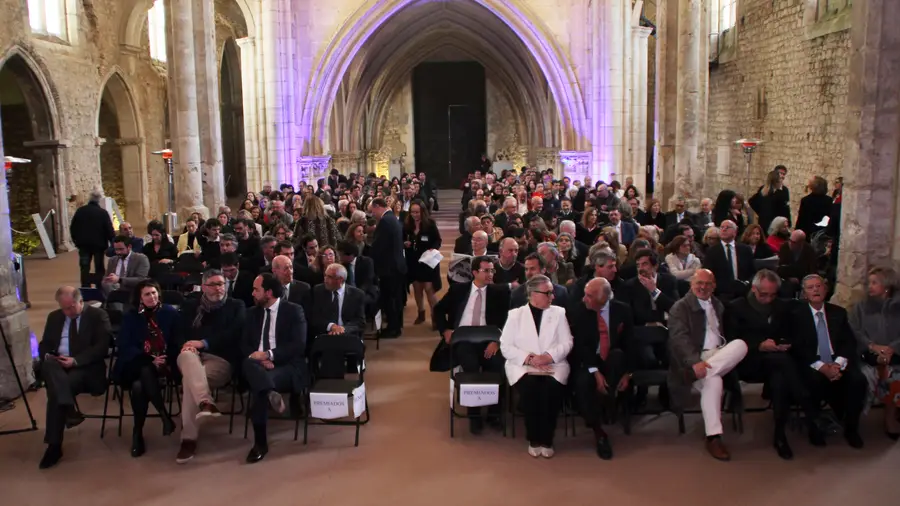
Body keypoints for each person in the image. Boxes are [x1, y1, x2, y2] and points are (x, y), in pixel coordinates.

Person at [725, 270, 823, 460]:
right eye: (764, 294)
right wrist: (759, 346)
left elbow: (792, 331)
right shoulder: (736, 307)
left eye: (773, 294)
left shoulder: (781, 306)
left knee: (780, 381)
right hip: (749, 361)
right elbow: (731, 340)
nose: (769, 299)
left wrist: (786, 343)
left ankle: (780, 436)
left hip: (778, 363)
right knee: (783, 364)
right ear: (754, 289)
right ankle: (810, 411)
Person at [668, 269, 748, 461]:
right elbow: (679, 339)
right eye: (699, 283)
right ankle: (714, 437)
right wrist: (695, 362)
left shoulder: (718, 305)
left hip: (718, 355)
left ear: (714, 286)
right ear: (691, 284)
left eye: (708, 284)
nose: (703, 287)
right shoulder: (680, 307)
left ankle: (704, 372)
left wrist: (706, 365)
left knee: (740, 345)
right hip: (695, 358)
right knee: (714, 381)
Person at [781, 275, 867, 448]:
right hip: (812, 362)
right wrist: (822, 367)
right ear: (804, 293)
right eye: (810, 287)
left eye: (818, 286)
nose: (815, 290)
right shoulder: (796, 315)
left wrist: (837, 364)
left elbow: (848, 342)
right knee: (812, 381)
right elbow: (798, 348)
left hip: (837, 361)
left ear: (826, 290)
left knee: (858, 381)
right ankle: (815, 428)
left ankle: (851, 429)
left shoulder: (838, 313)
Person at [175, 269, 247, 464]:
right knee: (188, 358)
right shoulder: (191, 306)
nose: (219, 288)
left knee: (190, 381)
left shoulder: (236, 306)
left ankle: (188, 438)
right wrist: (189, 345)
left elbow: (233, 334)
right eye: (214, 284)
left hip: (220, 359)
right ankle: (205, 402)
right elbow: (179, 332)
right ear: (204, 286)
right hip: (190, 356)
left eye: (221, 284)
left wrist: (203, 343)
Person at [433, 256, 511, 434]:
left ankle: (494, 413)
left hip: (489, 341)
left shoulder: (500, 293)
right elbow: (438, 309)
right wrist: (445, 330)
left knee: (497, 365)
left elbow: (508, 320)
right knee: (471, 366)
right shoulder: (459, 290)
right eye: (486, 271)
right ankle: (474, 414)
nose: (490, 274)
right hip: (464, 340)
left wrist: (497, 341)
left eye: (492, 270)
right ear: (475, 272)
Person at [37, 287, 111, 469]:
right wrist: (48, 355)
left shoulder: (97, 315)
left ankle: (54, 446)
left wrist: (75, 361)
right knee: (47, 365)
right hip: (57, 364)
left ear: (80, 301)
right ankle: (68, 409)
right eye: (64, 308)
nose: (68, 312)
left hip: (85, 367)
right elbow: (44, 344)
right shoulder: (54, 317)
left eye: (71, 307)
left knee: (59, 391)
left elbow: (102, 347)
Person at [500, 275, 574, 457]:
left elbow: (567, 342)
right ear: (533, 294)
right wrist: (530, 359)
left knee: (550, 390)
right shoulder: (515, 315)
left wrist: (548, 356)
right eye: (547, 293)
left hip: (553, 365)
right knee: (531, 390)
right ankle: (534, 438)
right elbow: (506, 346)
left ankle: (547, 439)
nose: (552, 296)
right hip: (524, 366)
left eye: (552, 292)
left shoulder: (559, 313)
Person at [241, 273, 308, 463]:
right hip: (256, 365)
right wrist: (260, 359)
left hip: (286, 366)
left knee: (258, 389)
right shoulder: (251, 313)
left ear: (268, 293)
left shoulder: (294, 311)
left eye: (256, 290)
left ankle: (260, 443)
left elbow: (298, 345)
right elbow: (244, 344)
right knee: (250, 365)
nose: (253, 293)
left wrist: (270, 355)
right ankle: (270, 392)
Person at [569, 277, 633, 460]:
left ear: (604, 298)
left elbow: (630, 343)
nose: (584, 299)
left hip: (613, 362)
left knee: (618, 355)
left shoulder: (622, 310)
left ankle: (608, 400)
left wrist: (629, 373)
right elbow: (581, 346)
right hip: (588, 361)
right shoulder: (581, 311)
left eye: (589, 296)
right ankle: (599, 431)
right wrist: (595, 372)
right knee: (583, 383)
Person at [114, 279, 178, 458]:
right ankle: (163, 416)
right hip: (135, 362)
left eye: (154, 293)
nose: (152, 297)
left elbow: (177, 340)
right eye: (147, 294)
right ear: (140, 298)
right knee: (143, 370)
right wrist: (150, 358)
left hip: (165, 361)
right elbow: (125, 345)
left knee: (139, 386)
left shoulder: (169, 313)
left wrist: (162, 358)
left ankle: (138, 433)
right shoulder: (131, 316)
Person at [849, 267, 900, 439]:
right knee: (865, 374)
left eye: (874, 283)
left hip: (895, 353)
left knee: (895, 375)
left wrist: (891, 348)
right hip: (867, 354)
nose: (869, 287)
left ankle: (890, 416)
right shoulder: (860, 307)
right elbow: (854, 331)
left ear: (887, 286)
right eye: (868, 283)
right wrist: (873, 346)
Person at [370, 198, 407, 338]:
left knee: (390, 299)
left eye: (373, 211)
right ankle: (396, 325)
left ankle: (393, 328)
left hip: (389, 267)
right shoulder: (392, 219)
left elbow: (379, 246)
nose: (373, 214)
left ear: (378, 206)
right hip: (396, 265)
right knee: (395, 299)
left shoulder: (385, 221)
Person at [403, 200, 442, 325]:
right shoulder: (407, 224)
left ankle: (435, 317)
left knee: (429, 289)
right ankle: (421, 313)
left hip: (428, 261)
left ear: (422, 212)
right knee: (417, 288)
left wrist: (433, 248)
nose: (415, 215)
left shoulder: (430, 224)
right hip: (413, 261)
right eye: (412, 212)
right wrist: (405, 244)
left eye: (417, 212)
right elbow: (402, 239)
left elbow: (438, 240)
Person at [70, 189, 116, 287]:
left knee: (84, 267)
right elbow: (109, 229)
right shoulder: (102, 213)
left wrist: (76, 240)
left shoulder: (80, 211)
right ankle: (100, 286)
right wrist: (113, 241)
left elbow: (73, 227)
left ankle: (85, 286)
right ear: (99, 200)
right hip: (99, 245)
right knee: (99, 267)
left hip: (83, 244)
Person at [702, 220, 755, 301]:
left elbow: (752, 272)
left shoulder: (745, 249)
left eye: (727, 227)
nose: (724, 229)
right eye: (722, 227)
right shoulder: (711, 252)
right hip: (721, 295)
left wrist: (747, 283)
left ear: (735, 232)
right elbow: (708, 274)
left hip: (744, 292)